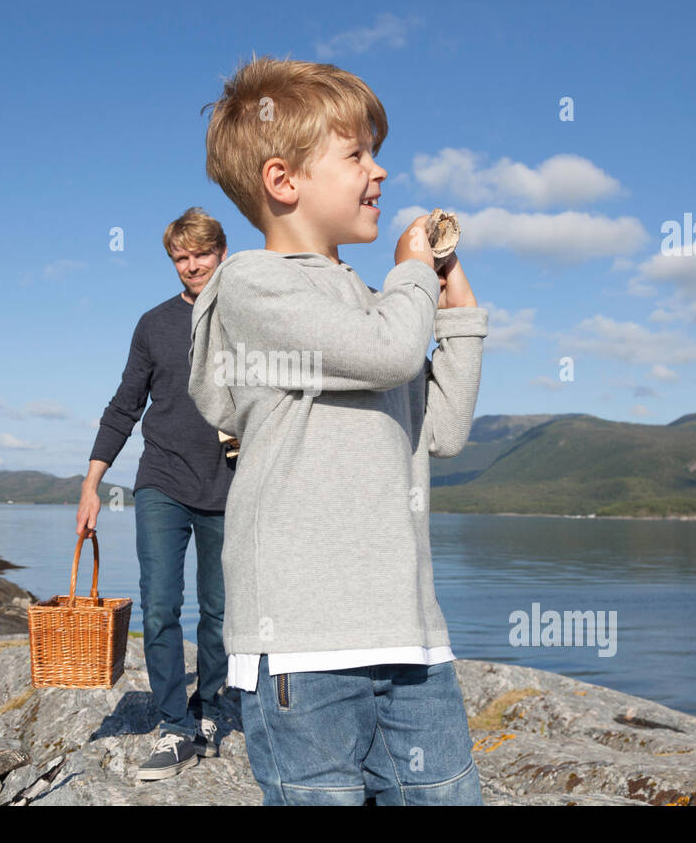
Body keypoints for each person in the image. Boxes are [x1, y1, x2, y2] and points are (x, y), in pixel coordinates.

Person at [188, 55, 489, 804]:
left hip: (410, 635)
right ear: (283, 181)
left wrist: (455, 306)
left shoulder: (371, 302)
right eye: (356, 154)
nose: (380, 172)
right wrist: (413, 271)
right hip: (301, 644)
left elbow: (442, 430)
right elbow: (390, 353)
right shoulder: (254, 284)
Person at [77, 206, 236, 781]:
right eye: (181, 258)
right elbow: (125, 405)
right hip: (161, 482)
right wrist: (92, 484)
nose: (192, 266)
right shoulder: (153, 324)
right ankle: (175, 725)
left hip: (229, 486)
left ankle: (214, 709)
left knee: (220, 611)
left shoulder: (252, 316)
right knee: (161, 605)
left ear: (221, 252)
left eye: (201, 254)